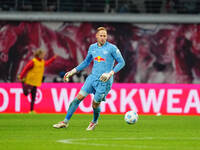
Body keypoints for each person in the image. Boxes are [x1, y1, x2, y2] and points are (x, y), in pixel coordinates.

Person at [53, 27, 125, 130]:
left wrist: (110, 73)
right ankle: (65, 122)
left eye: (105, 36)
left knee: (95, 105)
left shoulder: (112, 48)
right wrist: (72, 71)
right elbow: (86, 62)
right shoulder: (92, 47)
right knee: (77, 99)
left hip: (104, 81)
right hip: (92, 78)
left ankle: (94, 122)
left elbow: (122, 62)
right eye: (101, 35)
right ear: (96, 36)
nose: (103, 38)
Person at [18, 49, 56, 113]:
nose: (43, 55)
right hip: (30, 81)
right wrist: (21, 76)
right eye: (42, 54)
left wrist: (53, 59)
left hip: (36, 82)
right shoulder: (33, 61)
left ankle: (31, 110)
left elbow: (47, 63)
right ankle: (22, 83)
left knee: (33, 96)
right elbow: (26, 68)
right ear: (39, 55)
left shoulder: (42, 61)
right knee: (26, 93)